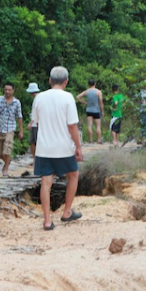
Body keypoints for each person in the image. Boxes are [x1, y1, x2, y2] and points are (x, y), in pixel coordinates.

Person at [32, 66, 83, 231]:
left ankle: (47, 221)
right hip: (63, 147)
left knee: (46, 182)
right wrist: (78, 146)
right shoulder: (68, 98)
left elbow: (37, 122)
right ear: (66, 81)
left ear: (49, 80)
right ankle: (67, 211)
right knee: (73, 175)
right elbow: (72, 126)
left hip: (44, 148)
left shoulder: (39, 98)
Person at [0, 82, 24, 177]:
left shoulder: (16, 102)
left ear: (13, 91)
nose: (7, 91)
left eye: (9, 90)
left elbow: (19, 117)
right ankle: (7, 162)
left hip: (10, 128)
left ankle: (6, 169)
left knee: (7, 150)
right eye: (6, 89)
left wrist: (21, 131)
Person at [76, 80, 105, 144]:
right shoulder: (98, 92)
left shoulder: (86, 92)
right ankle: (99, 140)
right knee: (98, 126)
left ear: (88, 84)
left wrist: (85, 102)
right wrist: (102, 111)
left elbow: (78, 97)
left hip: (89, 110)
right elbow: (101, 102)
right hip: (96, 110)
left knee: (89, 125)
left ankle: (91, 140)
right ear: (95, 84)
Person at [25, 82, 40, 166]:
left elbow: (35, 112)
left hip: (36, 124)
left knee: (34, 142)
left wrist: (30, 123)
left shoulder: (37, 99)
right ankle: (35, 159)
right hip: (35, 123)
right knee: (32, 142)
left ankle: (36, 160)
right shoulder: (36, 98)